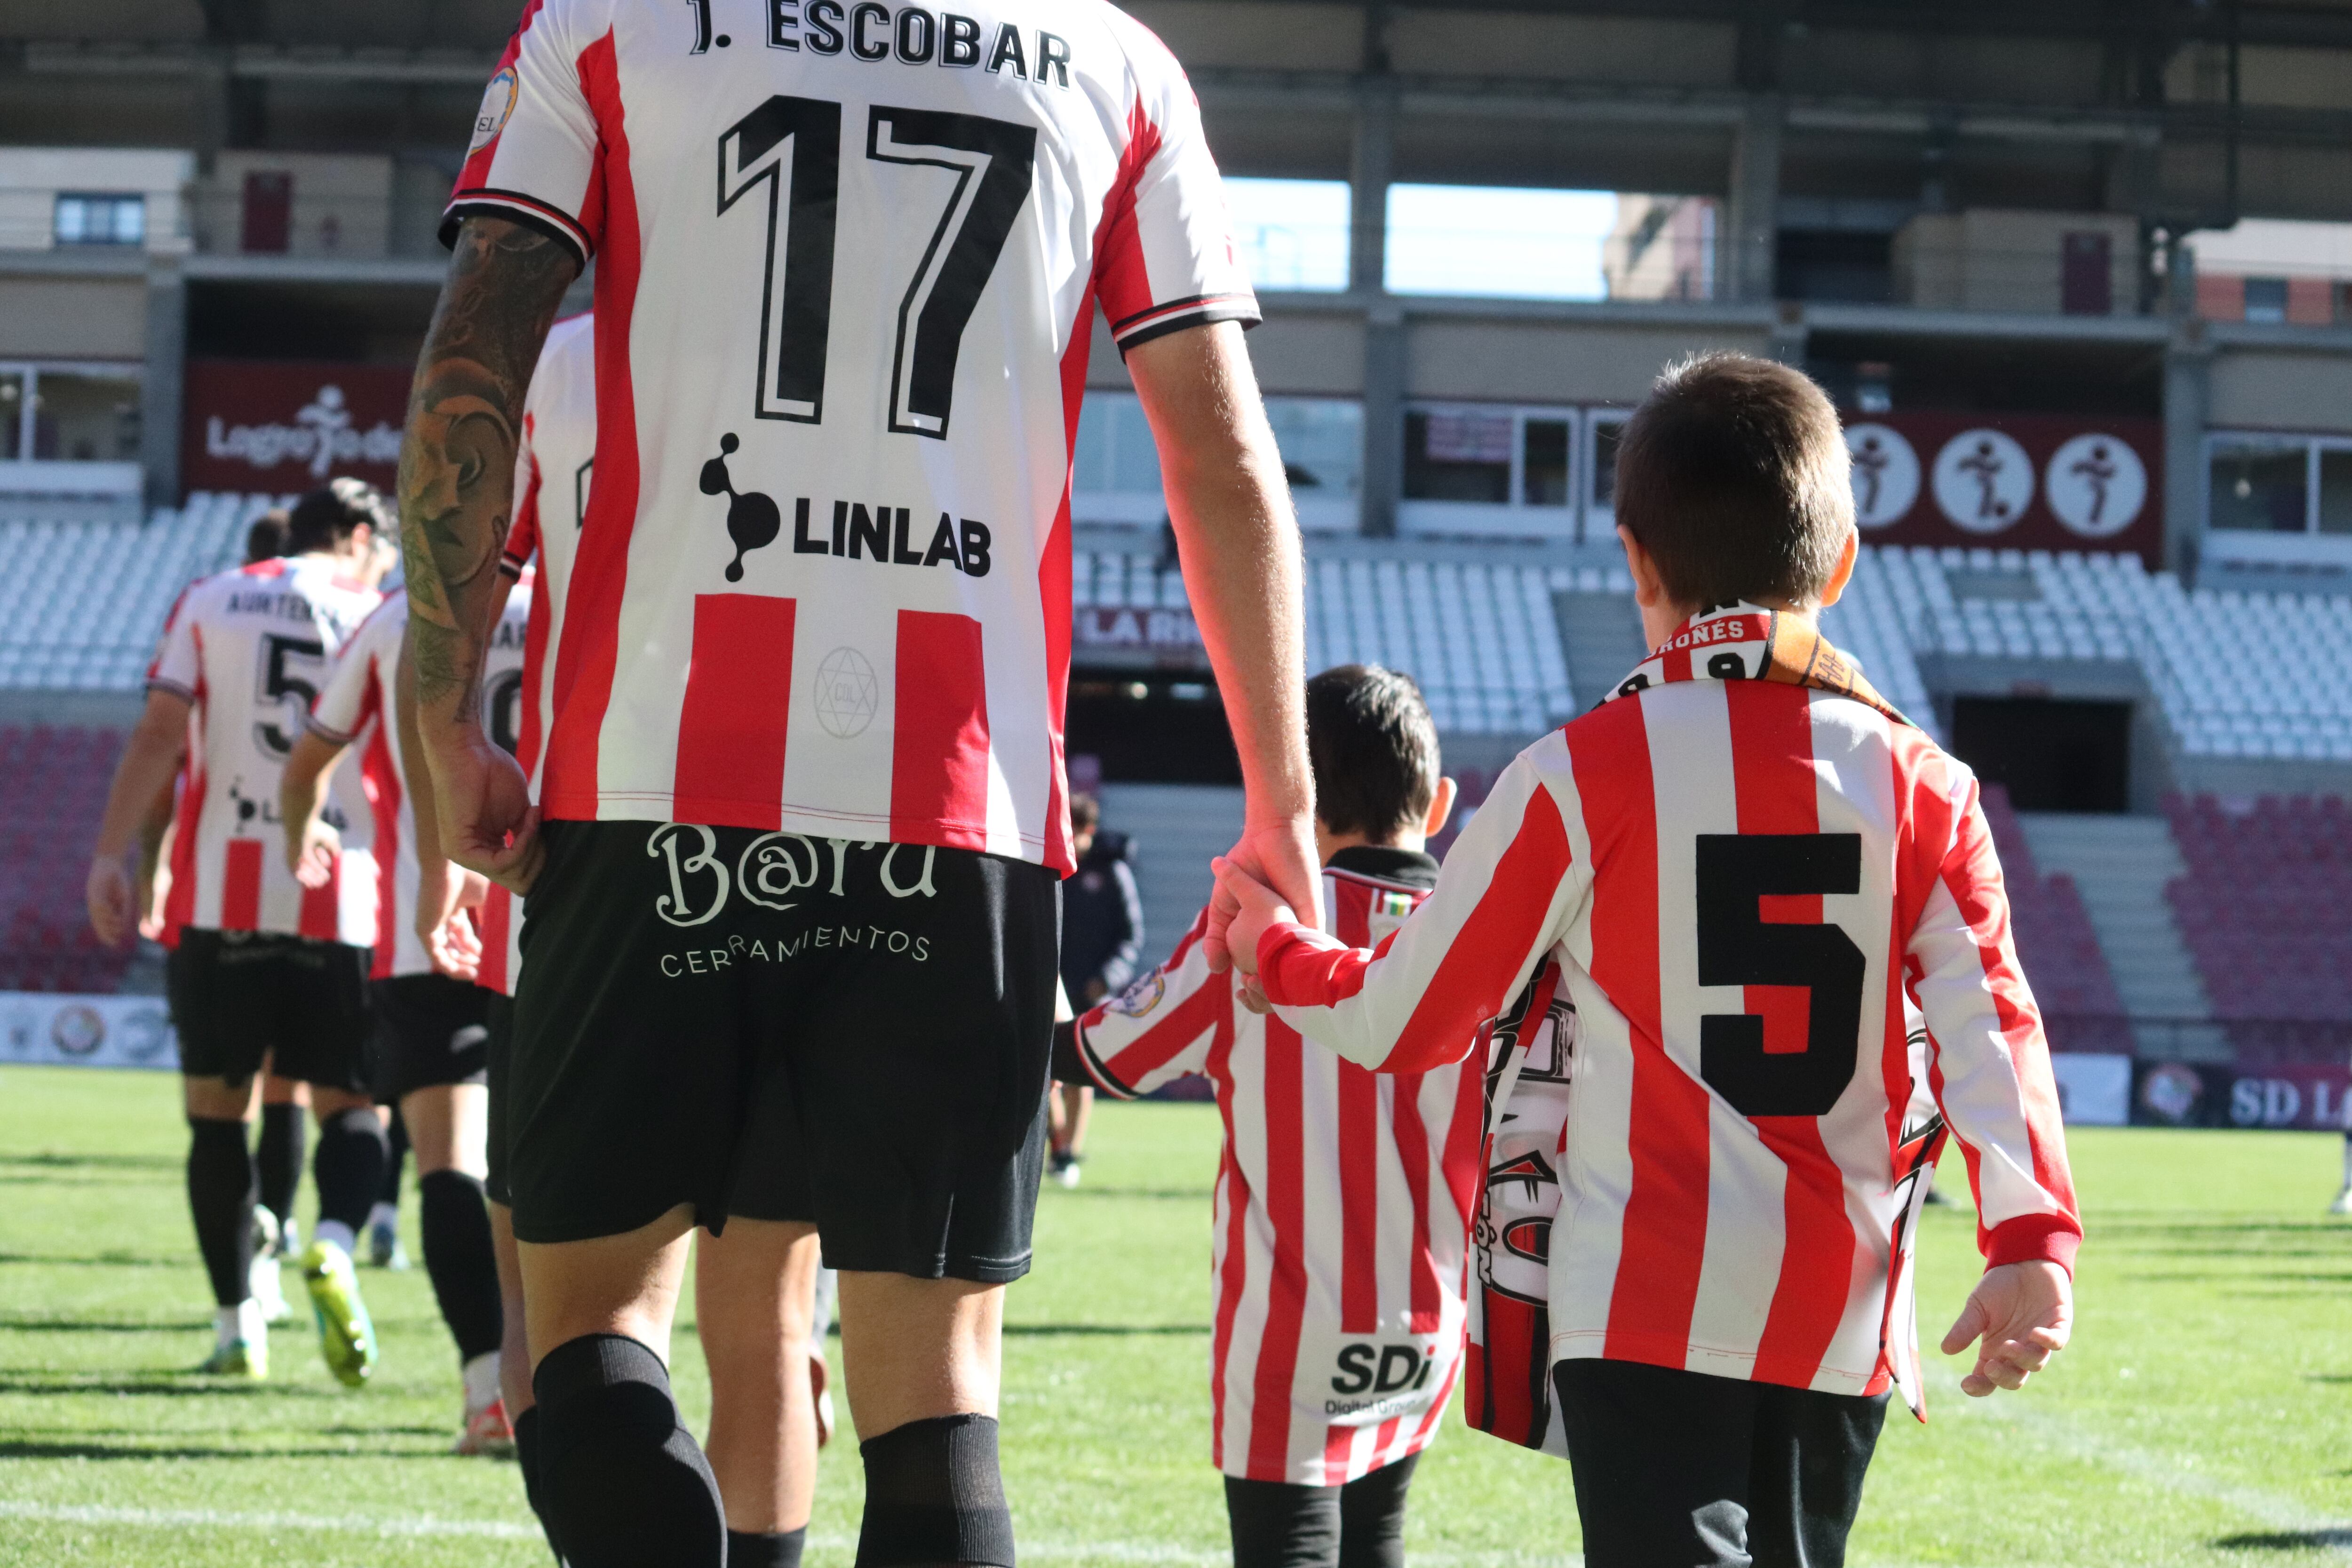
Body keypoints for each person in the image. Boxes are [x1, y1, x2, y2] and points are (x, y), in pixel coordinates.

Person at [405, 3, 1319, 1560]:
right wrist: (1283, 799)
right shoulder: (1119, 65)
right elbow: (1218, 454)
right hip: (960, 810)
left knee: (592, 1338)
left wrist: (442, 716)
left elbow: (479, 350)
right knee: (938, 1401)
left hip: (647, 790)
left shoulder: (609, 24)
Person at [1217, 352, 2081, 1568]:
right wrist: (2031, 1239)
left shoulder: (1582, 770)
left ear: (1637, 562)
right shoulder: (1926, 784)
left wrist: (1276, 947)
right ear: (1837, 566)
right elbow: (1998, 1022)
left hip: (1638, 1303)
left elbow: (1398, 1022)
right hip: (1840, 1307)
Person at [460, 313, 839, 1568]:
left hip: (609, 869)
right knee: (770, 1326)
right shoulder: (836, 349)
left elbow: (456, 580)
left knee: (576, 1309)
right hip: (841, 845)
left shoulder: (556, 357)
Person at [1058, 664, 1466, 1568]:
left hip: (1290, 1326)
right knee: (1379, 1537)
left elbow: (1101, 1055)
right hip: (1431, 1321)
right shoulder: (1476, 940)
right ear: (1436, 804)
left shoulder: (1253, 930)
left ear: (1292, 797)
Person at [86, 479, 399, 1383]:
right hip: (344, 894)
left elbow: (158, 731)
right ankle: (333, 1240)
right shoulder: (378, 610)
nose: (387, 561)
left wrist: (116, 855)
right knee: (352, 1103)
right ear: (354, 533)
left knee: (217, 1118)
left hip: (220, 897)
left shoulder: (209, 595)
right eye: (381, 543)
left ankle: (236, 1325)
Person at [279, 564, 529, 1452]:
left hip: (430, 932)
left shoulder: (396, 615)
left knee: (450, 1167)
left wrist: (295, 821)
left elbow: (310, 756)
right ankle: (582, 1387)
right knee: (560, 1167)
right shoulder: (592, 584)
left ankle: (488, 1390)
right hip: (574, 923)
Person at [1050, 793, 1142, 1187]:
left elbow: (1131, 936)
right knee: (1045, 1075)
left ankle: (1068, 1152)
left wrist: (1107, 977)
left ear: (1088, 830)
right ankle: (1058, 1147)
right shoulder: (1052, 866)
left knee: (1080, 1075)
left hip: (1090, 992)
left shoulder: (1112, 873)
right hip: (1052, 987)